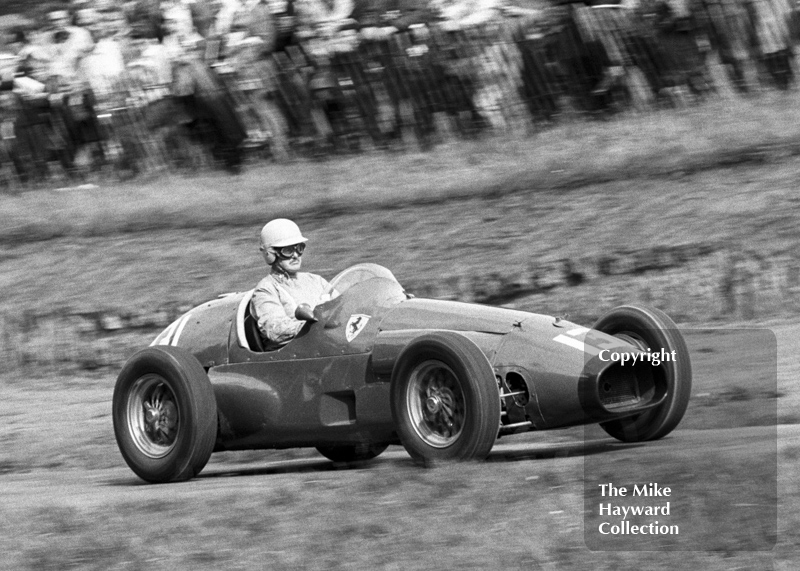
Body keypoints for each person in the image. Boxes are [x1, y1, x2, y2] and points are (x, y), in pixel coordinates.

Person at [251, 218, 337, 349]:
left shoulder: (315, 280)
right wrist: (314, 325)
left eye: (299, 248)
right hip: (297, 354)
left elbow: (342, 306)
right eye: (288, 250)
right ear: (270, 254)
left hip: (328, 344)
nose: (296, 255)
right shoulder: (266, 289)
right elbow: (275, 330)